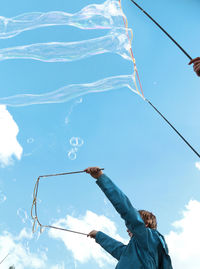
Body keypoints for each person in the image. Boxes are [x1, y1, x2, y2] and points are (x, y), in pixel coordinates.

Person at [85, 167, 173, 269]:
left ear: (145, 224)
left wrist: (101, 177)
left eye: (132, 225)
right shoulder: (134, 251)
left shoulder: (147, 237)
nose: (127, 229)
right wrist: (98, 235)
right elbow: (116, 248)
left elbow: (126, 209)